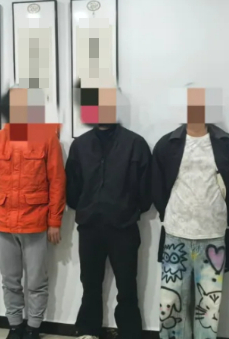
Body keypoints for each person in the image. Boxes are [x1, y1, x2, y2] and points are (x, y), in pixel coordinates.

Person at [152, 86, 229, 339]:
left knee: (209, 308)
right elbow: (156, 187)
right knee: (171, 305)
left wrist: (222, 214)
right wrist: (170, 213)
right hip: (176, 236)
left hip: (213, 237)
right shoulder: (167, 144)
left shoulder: (227, 144)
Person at [66, 83, 151, 339]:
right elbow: (72, 189)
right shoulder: (80, 146)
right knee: (90, 284)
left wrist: (126, 209)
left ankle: (129, 333)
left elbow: (146, 193)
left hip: (124, 228)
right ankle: (88, 330)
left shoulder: (135, 144)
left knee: (127, 287)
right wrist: (87, 208)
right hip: (90, 227)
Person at [0, 87, 66, 339]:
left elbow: (57, 182)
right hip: (3, 223)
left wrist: (55, 221)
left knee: (36, 282)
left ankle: (34, 328)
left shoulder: (47, 138)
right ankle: (15, 326)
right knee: (9, 280)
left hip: (36, 222)